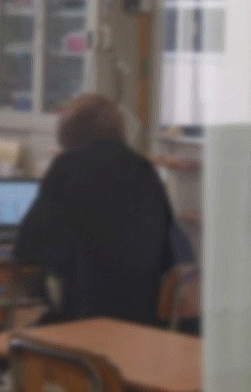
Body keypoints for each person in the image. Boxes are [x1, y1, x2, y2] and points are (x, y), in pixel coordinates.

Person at [14, 94, 178, 326]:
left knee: (17, 332)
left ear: (68, 132)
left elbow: (28, 249)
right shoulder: (145, 169)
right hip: (143, 322)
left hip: (87, 320)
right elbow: (168, 253)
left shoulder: (68, 167)